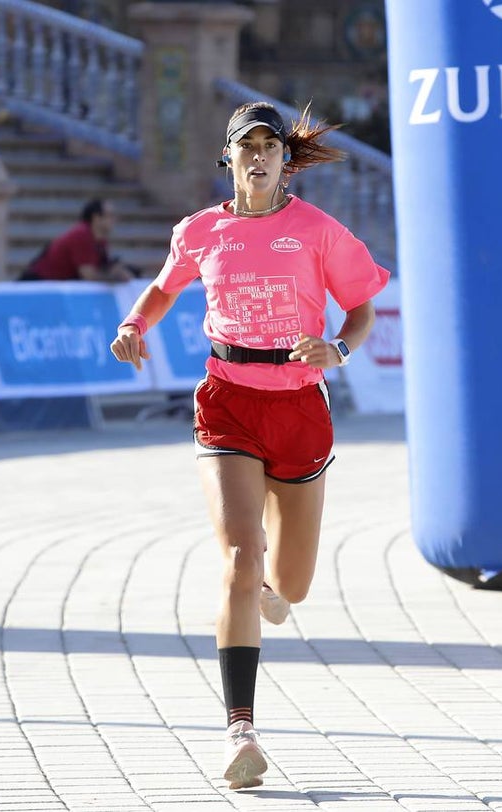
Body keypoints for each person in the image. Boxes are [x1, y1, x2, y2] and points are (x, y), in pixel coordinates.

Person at [109, 102, 389, 790]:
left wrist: (339, 349)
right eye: (248, 147)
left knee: (288, 584)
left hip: (298, 405)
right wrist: (134, 323)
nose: (259, 157)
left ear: (284, 162)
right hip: (228, 398)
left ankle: (273, 591)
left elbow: (362, 309)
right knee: (241, 557)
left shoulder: (319, 232)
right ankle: (242, 731)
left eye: (271, 147)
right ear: (228, 159)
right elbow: (161, 288)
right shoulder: (200, 232)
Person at [20, 197, 134, 282]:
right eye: (110, 215)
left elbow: (101, 268)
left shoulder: (100, 241)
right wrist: (114, 277)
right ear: (96, 218)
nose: (114, 220)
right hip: (39, 282)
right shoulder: (82, 235)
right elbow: (88, 275)